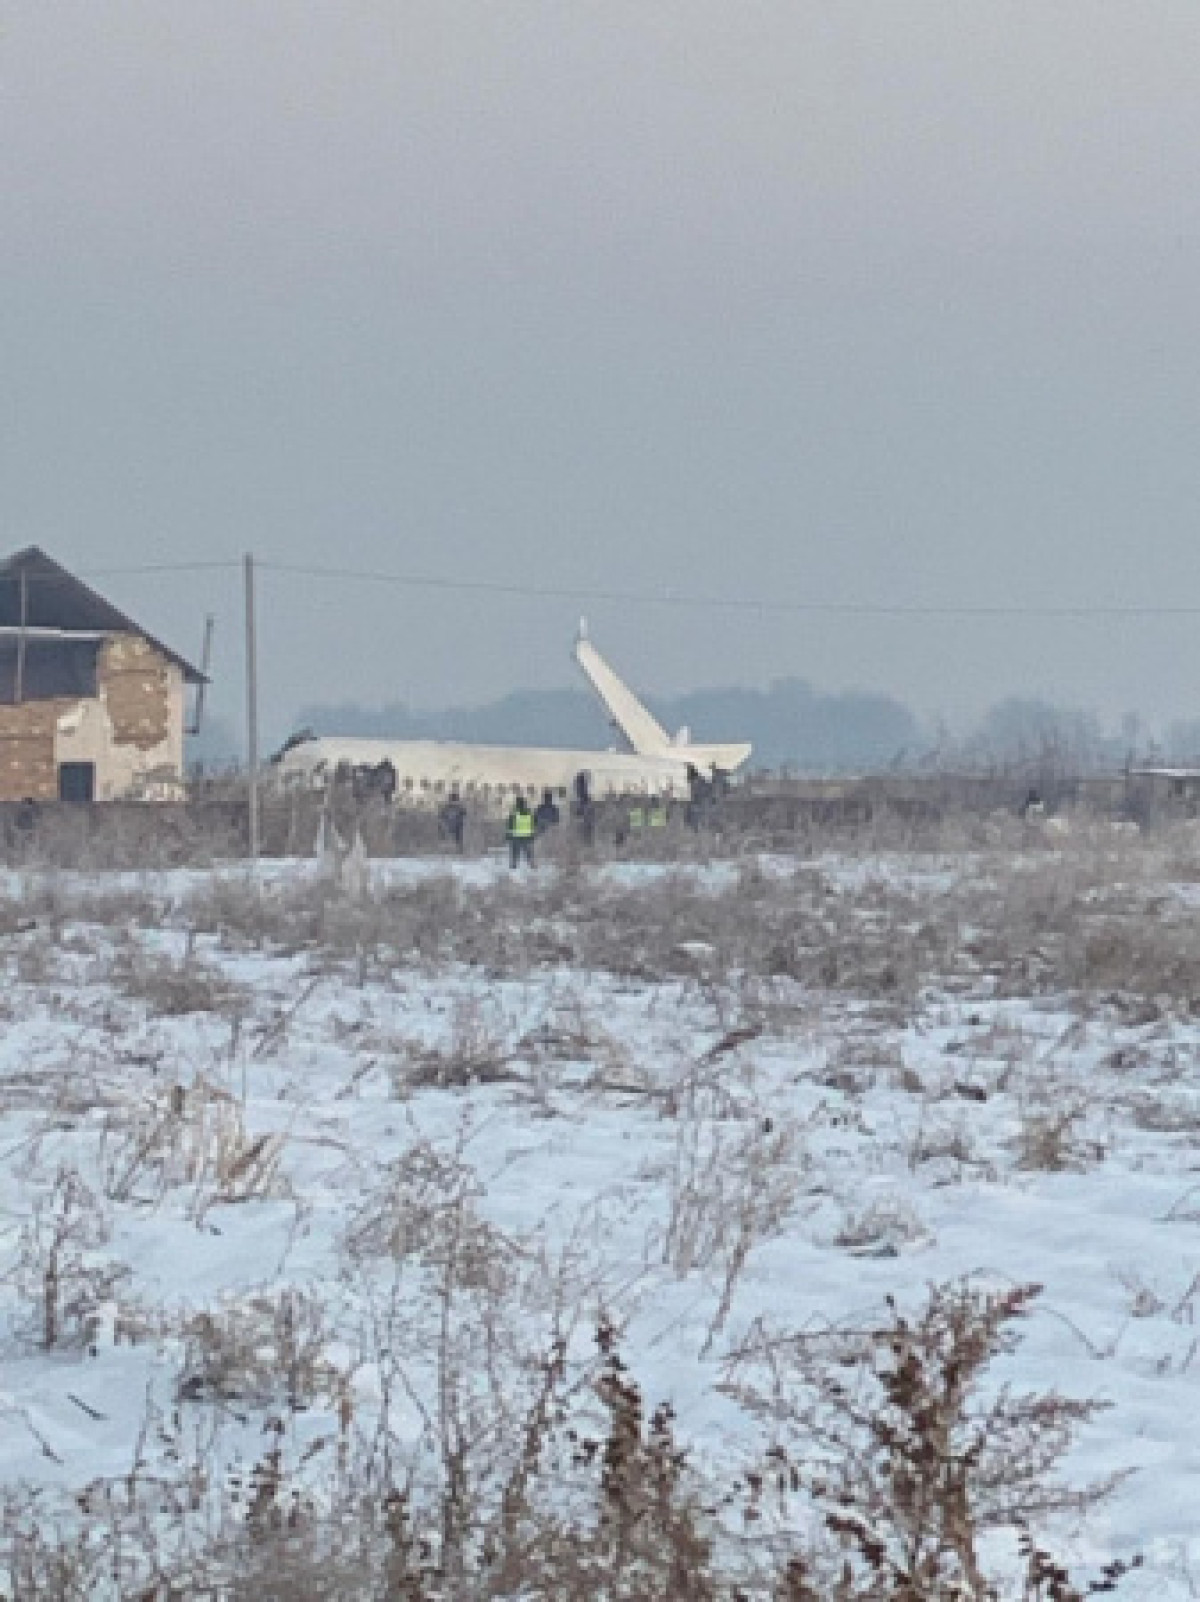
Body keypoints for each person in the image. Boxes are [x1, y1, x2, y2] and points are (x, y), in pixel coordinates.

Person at [506, 793, 536, 868]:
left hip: (516, 835)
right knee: (528, 851)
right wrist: (532, 835)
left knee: (515, 851)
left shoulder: (514, 812)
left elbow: (510, 824)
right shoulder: (529, 812)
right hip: (527, 836)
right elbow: (533, 823)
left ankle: (514, 864)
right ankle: (531, 863)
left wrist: (508, 835)